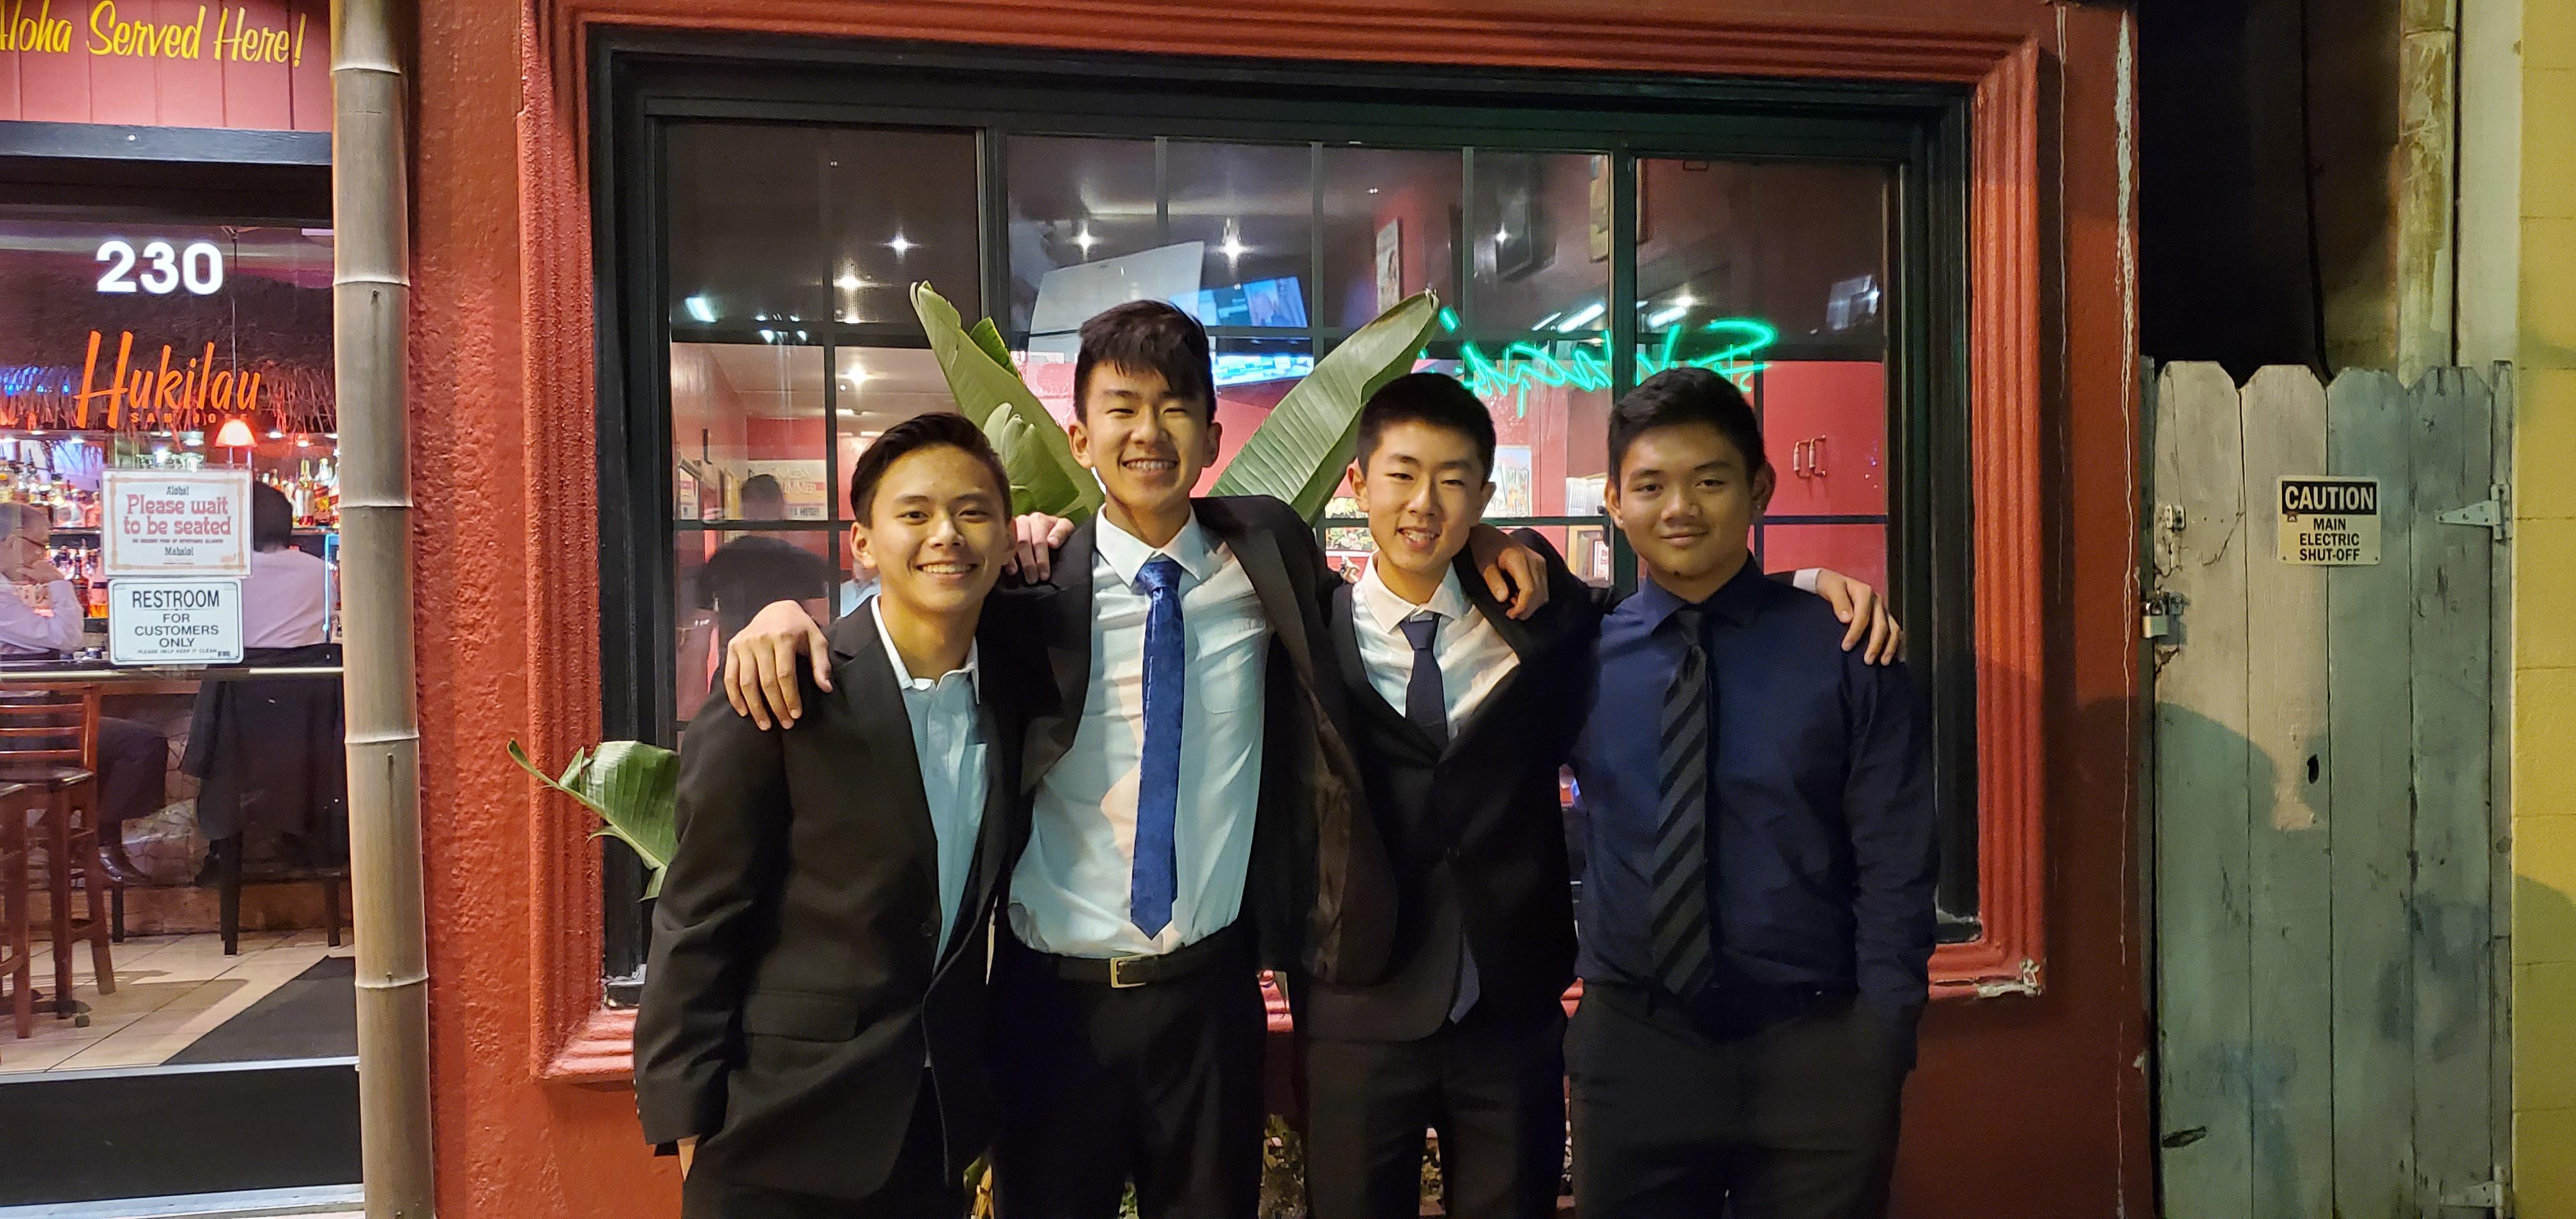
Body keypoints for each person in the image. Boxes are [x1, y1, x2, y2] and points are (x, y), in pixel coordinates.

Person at [720, 300, 1554, 1219]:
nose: (1148, 433)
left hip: (1211, 1004)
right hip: (1053, 1010)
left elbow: (1403, 569)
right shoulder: (1026, 594)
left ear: (1212, 438)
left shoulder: (1267, 556)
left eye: (1174, 409)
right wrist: (783, 618)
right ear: (1079, 437)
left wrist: (1489, 540)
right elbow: (910, 621)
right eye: (1121, 409)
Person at [1297, 373, 1903, 1219]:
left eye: (1453, 480)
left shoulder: (1550, 629)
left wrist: (1800, 587)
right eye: (1403, 475)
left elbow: (1896, 858)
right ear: (1358, 484)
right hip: (1407, 1013)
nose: (1425, 502)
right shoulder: (1301, 631)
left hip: (1559, 1018)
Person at [634, 413, 1041, 1218]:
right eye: (915, 513)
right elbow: (699, 913)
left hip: (933, 1130)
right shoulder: (782, 686)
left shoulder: (1018, 692)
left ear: (1003, 540)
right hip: (778, 1128)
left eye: (973, 513)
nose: (946, 535)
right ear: (863, 544)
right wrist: (688, 1126)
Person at [1566, 367, 1936, 1219]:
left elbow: (1899, 859)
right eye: (1650, 486)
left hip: (1819, 1048)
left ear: (1760, 489)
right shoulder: (1577, 655)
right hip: (1636, 1050)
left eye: (1710, 481)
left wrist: (1882, 1040)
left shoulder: (1848, 652)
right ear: (1613, 502)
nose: (1680, 509)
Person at [0, 503, 167, 882]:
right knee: (141, 744)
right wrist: (59, 583)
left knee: (115, 743)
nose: (42, 556)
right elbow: (68, 637)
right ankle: (93, 844)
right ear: (12, 542)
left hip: (28, 724)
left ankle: (64, 828)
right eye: (39, 546)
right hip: (18, 733)